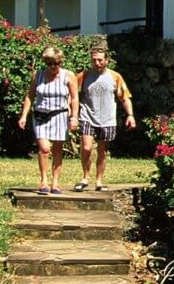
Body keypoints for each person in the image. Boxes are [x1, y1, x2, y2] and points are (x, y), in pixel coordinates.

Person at [17, 46, 80, 194]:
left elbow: (75, 98)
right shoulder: (38, 75)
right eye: (50, 63)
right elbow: (30, 96)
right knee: (44, 148)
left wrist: (74, 118)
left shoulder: (68, 75)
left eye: (56, 63)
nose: (53, 67)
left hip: (60, 114)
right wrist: (24, 115)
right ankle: (44, 180)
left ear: (60, 62)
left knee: (57, 149)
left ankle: (55, 182)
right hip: (40, 115)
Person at [74, 46, 136, 191]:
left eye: (100, 60)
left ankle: (99, 181)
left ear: (106, 60)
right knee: (86, 147)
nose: (97, 63)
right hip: (87, 116)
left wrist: (130, 115)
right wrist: (72, 114)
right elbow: (73, 94)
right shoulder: (83, 76)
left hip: (107, 118)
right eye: (94, 60)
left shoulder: (115, 77)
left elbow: (124, 98)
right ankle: (85, 178)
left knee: (102, 151)